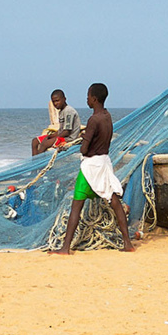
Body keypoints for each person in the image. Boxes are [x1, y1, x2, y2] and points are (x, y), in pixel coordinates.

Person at [53, 83, 135, 255]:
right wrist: (88, 137)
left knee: (76, 206)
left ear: (95, 99)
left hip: (90, 168)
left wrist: (84, 141)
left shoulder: (93, 120)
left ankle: (65, 248)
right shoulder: (107, 116)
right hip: (104, 163)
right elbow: (100, 138)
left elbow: (84, 150)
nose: (87, 99)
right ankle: (127, 243)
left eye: (88, 96)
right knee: (114, 201)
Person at [32, 89, 81, 155]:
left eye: (57, 101)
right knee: (35, 141)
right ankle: (34, 160)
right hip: (62, 136)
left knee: (45, 144)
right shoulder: (61, 111)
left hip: (68, 138)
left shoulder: (69, 111)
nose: (55, 104)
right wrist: (50, 136)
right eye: (53, 102)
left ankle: (39, 161)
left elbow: (66, 132)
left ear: (64, 99)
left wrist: (54, 138)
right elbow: (61, 130)